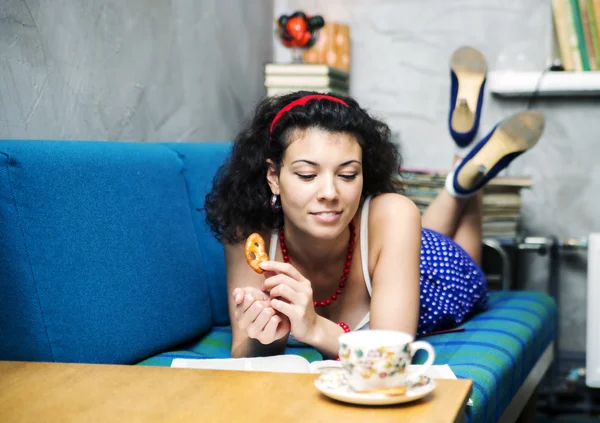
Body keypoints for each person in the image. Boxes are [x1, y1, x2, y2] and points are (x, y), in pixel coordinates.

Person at [204, 91, 545, 359]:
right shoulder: (249, 233)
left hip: (435, 271)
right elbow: (244, 350)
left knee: (466, 261)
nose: (329, 193)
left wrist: (312, 327)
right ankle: (462, 177)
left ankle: (465, 184)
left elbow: (393, 351)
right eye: (307, 175)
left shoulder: (394, 213)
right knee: (412, 229)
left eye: (348, 174)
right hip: (391, 251)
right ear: (273, 177)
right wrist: (266, 336)